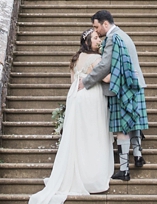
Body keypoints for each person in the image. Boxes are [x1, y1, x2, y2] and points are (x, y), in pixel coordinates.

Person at [27, 29, 112, 204]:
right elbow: (106, 79)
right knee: (92, 134)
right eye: (95, 38)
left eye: (99, 38)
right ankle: (91, 176)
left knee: (78, 136)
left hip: (75, 97)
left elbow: (73, 81)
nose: (99, 41)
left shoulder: (75, 59)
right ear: (87, 42)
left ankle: (77, 171)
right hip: (91, 97)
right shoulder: (96, 59)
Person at [80, 9, 148, 181]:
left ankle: (124, 170)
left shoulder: (112, 38)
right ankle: (138, 156)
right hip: (136, 83)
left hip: (123, 87)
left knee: (122, 127)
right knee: (133, 119)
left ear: (105, 23)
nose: (96, 31)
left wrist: (87, 82)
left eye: (96, 27)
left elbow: (104, 66)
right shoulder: (124, 35)